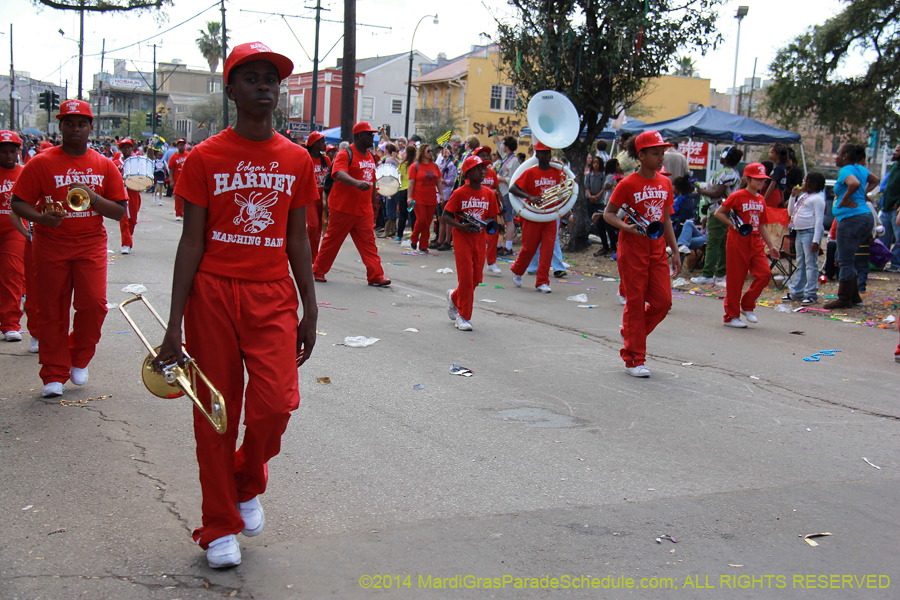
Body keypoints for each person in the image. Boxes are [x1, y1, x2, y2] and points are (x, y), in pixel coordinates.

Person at [153, 42, 319, 569]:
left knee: (275, 406)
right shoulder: (204, 157)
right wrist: (174, 324)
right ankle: (219, 524)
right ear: (231, 90)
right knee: (215, 418)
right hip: (212, 296)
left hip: (272, 298)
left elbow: (299, 240)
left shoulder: (296, 160)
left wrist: (309, 308)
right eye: (250, 77)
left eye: (271, 78)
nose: (264, 85)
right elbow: (191, 243)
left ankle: (246, 483)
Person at [11, 100, 127, 398]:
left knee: (94, 305)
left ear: (91, 128)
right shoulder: (41, 162)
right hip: (51, 246)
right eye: (69, 123)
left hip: (90, 245)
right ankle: (53, 372)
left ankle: (78, 358)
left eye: (81, 124)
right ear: (60, 126)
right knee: (52, 310)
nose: (75, 129)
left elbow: (119, 211)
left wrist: (93, 198)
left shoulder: (104, 164)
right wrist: (40, 218)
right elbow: (18, 202)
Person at [603, 131, 679, 377]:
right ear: (641, 155)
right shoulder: (627, 183)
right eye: (656, 153)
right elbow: (609, 213)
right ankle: (634, 359)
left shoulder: (665, 182)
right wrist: (626, 227)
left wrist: (675, 250)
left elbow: (666, 218)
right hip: (633, 248)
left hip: (657, 250)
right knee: (634, 303)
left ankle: (630, 334)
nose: (661, 158)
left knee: (663, 302)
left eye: (662, 153)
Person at [312, 122, 391, 286]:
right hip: (342, 208)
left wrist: (374, 202)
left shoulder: (370, 156)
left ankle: (375, 275)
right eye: (369, 135)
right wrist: (356, 183)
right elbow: (339, 174)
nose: (372, 137)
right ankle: (318, 270)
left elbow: (372, 179)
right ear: (359, 136)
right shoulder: (345, 153)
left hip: (364, 210)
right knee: (332, 241)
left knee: (369, 245)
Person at [716, 163, 781, 328]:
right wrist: (733, 224)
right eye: (757, 179)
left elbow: (762, 225)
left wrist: (771, 246)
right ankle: (731, 316)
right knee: (736, 280)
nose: (761, 182)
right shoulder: (737, 196)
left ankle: (747, 305)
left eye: (763, 179)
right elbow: (719, 213)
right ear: (747, 179)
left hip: (755, 241)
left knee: (765, 274)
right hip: (737, 240)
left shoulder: (760, 199)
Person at [442, 156, 503, 331]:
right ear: (468, 173)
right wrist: (461, 226)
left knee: (476, 278)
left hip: (479, 238)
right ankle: (463, 317)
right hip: (462, 238)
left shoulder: (489, 193)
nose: (483, 172)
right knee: (467, 277)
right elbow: (445, 216)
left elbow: (492, 216)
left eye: (483, 168)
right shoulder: (459, 193)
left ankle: (454, 296)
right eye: (478, 169)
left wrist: (483, 223)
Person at [509, 141, 564, 293]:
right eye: (543, 152)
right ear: (537, 154)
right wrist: (529, 196)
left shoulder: (558, 172)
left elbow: (566, 189)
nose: (547, 155)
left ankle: (542, 282)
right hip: (532, 215)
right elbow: (513, 188)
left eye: (548, 152)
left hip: (550, 215)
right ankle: (517, 270)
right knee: (529, 248)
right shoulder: (530, 172)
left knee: (548, 249)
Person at [692, 146, 743, 286]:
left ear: (725, 157)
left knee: (713, 243)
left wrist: (702, 191)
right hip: (722, 210)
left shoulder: (728, 173)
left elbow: (718, 193)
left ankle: (707, 274)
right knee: (721, 244)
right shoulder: (731, 172)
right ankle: (720, 273)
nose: (719, 157)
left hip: (719, 211)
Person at [784, 172, 826, 304]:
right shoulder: (804, 197)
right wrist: (793, 197)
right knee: (801, 262)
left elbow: (819, 220)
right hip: (800, 232)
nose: (802, 183)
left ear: (812, 183)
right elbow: (791, 212)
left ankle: (811, 293)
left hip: (810, 232)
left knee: (810, 263)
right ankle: (797, 291)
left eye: (805, 181)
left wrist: (816, 240)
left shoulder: (817, 199)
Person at [0, 131, 26, 342]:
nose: (8, 155)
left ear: (19, 151)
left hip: (14, 230)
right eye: (3, 152)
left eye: (12, 151)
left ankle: (10, 324)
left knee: (12, 274)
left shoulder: (26, 173)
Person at [407, 143, 443, 254]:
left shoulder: (435, 166)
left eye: (431, 151)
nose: (430, 153)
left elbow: (438, 182)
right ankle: (413, 238)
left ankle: (423, 245)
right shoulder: (415, 166)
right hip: (418, 197)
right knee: (421, 219)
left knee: (427, 223)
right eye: (428, 151)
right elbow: (411, 183)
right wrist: (409, 197)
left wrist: (441, 195)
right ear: (422, 152)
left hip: (431, 197)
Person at [474, 145, 504, 275]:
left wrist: (502, 205)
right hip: (477, 208)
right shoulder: (472, 173)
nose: (485, 157)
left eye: (487, 155)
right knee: (477, 237)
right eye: (482, 155)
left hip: (491, 209)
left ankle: (491, 263)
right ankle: (476, 261)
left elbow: (498, 190)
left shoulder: (492, 173)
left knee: (493, 235)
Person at [111, 139, 142, 254]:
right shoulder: (116, 161)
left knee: (132, 219)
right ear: (121, 149)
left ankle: (128, 238)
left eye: (128, 147)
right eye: (124, 147)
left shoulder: (137, 160)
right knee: (123, 219)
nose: (127, 149)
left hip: (134, 191)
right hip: (121, 192)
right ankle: (126, 243)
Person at [304, 130, 329, 263]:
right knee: (313, 226)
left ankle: (313, 258)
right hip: (309, 197)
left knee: (319, 229)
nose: (324, 144)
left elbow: (330, 179)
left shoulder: (326, 160)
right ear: (314, 144)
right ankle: (302, 250)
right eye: (322, 142)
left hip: (322, 196)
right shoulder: (306, 158)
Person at [495, 136, 519, 256]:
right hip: (501, 192)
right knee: (501, 220)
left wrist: (500, 178)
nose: (502, 146)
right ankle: (499, 244)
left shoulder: (514, 161)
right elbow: (498, 145)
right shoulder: (506, 158)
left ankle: (508, 246)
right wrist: (493, 132)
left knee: (509, 220)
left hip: (508, 193)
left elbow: (515, 179)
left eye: (504, 144)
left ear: (507, 146)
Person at [672, 176, 706, 254]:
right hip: (683, 232)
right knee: (682, 243)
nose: (671, 188)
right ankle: (682, 245)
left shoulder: (687, 202)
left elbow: (683, 218)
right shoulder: (674, 199)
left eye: (673, 186)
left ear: (678, 188)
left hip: (679, 228)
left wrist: (669, 219)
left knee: (681, 241)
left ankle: (680, 246)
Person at [435, 144, 458, 251]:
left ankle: (447, 240)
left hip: (447, 193)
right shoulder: (442, 162)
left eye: (443, 149)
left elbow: (452, 181)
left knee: (447, 218)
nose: (442, 152)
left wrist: (443, 181)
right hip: (439, 193)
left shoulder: (452, 164)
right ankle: (439, 240)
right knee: (440, 218)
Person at [881, 145, 900, 271]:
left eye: (898, 150)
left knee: (899, 238)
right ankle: (879, 262)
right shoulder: (894, 166)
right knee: (882, 237)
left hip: (896, 209)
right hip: (886, 208)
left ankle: (896, 264)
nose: (894, 152)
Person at [394, 145, 416, 243]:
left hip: (403, 190)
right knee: (414, 215)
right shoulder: (416, 164)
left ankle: (399, 236)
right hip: (413, 191)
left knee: (403, 214)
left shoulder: (403, 165)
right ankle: (414, 236)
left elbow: (400, 177)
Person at [168, 139, 190, 221]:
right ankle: (178, 213)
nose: (182, 147)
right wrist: (171, 180)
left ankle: (185, 212)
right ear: (177, 146)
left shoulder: (188, 155)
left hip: (187, 180)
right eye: (180, 145)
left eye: (183, 145)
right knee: (178, 198)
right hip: (177, 180)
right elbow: (171, 169)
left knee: (187, 198)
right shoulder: (174, 157)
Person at [763, 143, 788, 207]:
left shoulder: (778, 168)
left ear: (778, 155)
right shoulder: (782, 167)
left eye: (772, 153)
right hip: (779, 194)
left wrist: (764, 198)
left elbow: (772, 184)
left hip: (773, 195)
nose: (769, 154)